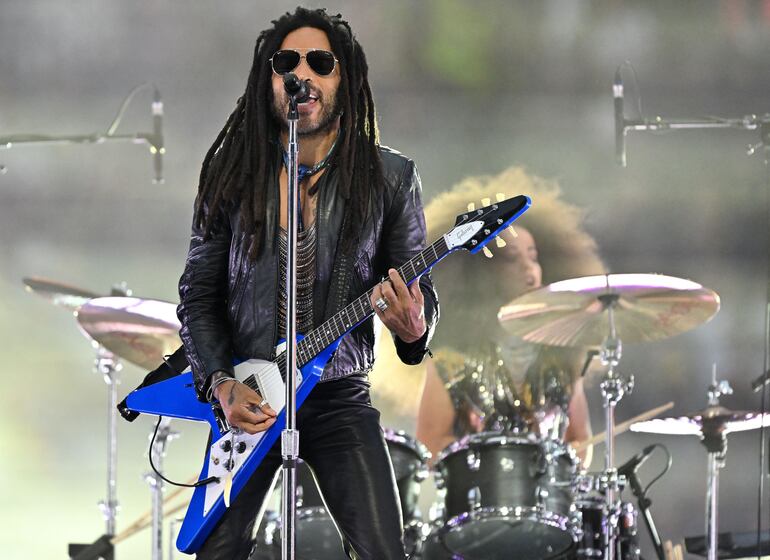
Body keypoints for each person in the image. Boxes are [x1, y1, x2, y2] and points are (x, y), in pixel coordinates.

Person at [176, 8, 438, 559]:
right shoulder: (231, 173)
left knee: (384, 552)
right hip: (247, 397)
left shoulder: (391, 179)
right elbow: (197, 294)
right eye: (286, 62)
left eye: (321, 62)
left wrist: (414, 327)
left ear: (345, 79)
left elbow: (420, 297)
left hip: (339, 396)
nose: (303, 74)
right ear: (267, 78)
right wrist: (221, 384)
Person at [413, 167, 605, 466]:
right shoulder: (451, 363)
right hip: (478, 506)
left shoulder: (563, 357)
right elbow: (431, 445)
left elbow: (580, 441)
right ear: (483, 274)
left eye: (533, 256)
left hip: (547, 506)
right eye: (513, 259)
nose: (530, 269)